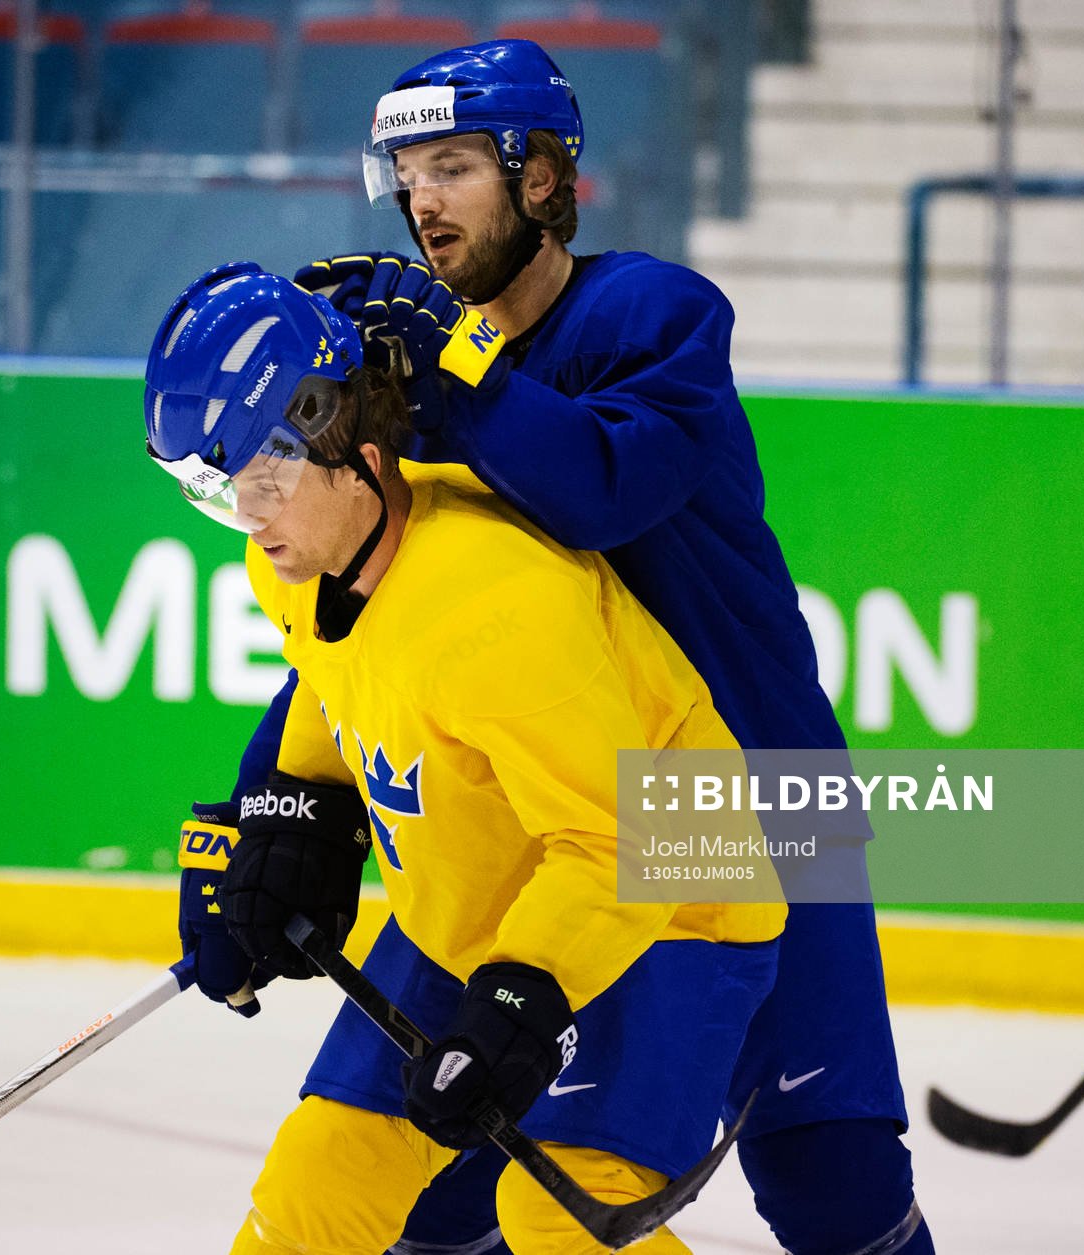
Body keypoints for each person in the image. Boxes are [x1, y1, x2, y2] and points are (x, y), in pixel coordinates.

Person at [175, 38, 932, 1255]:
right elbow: (380, 617)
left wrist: (451, 369)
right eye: (407, 171)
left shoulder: (653, 315)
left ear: (544, 178)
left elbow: (606, 488)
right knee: (448, 1191)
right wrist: (286, 799)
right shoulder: (408, 377)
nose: (422, 199)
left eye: (457, 165)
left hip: (742, 799)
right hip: (558, 837)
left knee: (826, 1175)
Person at [146, 260, 786, 1253]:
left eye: (260, 480)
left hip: (676, 894)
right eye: (216, 493)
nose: (249, 516)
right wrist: (290, 817)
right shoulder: (297, 557)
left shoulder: (498, 603)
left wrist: (525, 989)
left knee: (558, 1219)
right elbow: (340, 676)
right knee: (317, 1186)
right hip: (490, 898)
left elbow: (624, 833)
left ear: (337, 434)